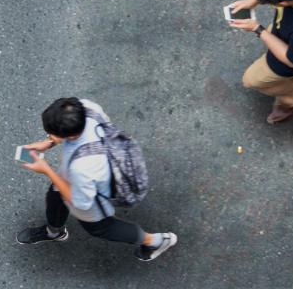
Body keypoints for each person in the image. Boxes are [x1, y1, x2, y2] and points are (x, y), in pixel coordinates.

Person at [16, 98, 177, 261]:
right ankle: (53, 232)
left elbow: (80, 202)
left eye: (52, 133)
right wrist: (49, 142)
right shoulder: (86, 107)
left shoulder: (83, 167)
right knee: (55, 196)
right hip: (91, 171)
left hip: (91, 195)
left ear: (70, 136)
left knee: (100, 228)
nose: (49, 136)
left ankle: (155, 241)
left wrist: (47, 170)